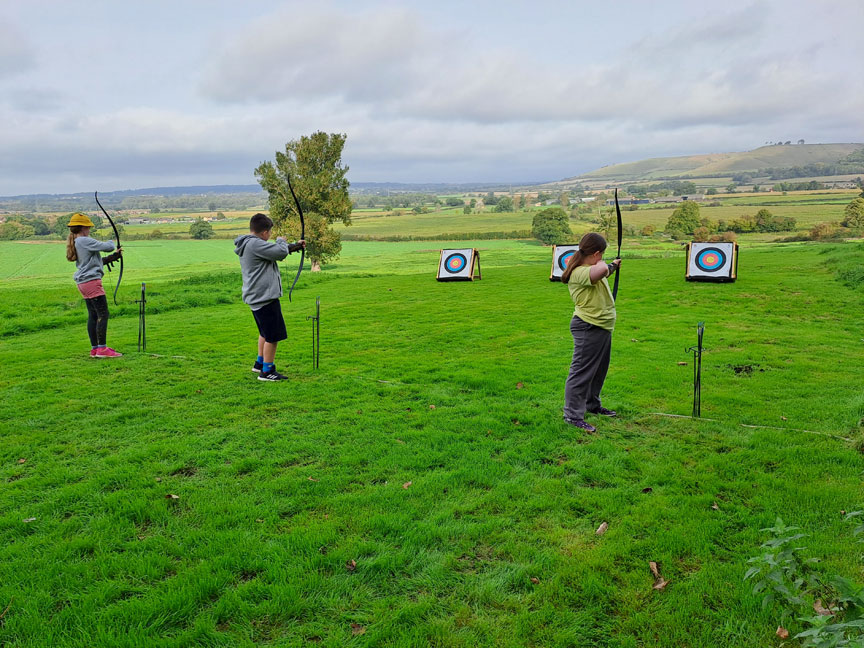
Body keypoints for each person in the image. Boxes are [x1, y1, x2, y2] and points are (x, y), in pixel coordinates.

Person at [560, 232, 622, 432]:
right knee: (581, 372)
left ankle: (592, 405)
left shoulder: (592, 269)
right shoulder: (579, 272)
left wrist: (613, 265)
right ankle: (572, 415)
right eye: (601, 254)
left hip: (602, 326)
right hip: (588, 326)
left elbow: (604, 271)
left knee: (597, 371)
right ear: (596, 254)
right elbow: (600, 270)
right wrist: (606, 265)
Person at [234, 213, 305, 381]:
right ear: (264, 232)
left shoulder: (249, 244)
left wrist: (294, 246)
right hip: (264, 297)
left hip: (258, 297)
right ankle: (267, 371)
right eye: (270, 232)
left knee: (265, 333)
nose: (271, 235)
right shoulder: (254, 245)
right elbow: (279, 252)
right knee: (273, 336)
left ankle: (259, 363)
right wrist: (282, 240)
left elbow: (275, 252)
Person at [66, 212, 124, 358]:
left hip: (84, 282)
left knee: (93, 315)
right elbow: (108, 246)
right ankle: (102, 349)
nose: (90, 230)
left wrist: (113, 257)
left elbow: (93, 263)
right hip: (91, 282)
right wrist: (112, 243)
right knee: (103, 314)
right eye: (88, 227)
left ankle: (95, 349)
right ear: (83, 227)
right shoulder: (83, 240)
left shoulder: (78, 242)